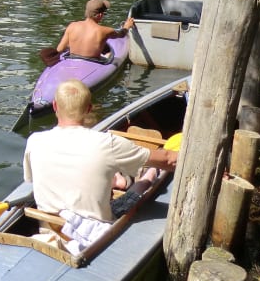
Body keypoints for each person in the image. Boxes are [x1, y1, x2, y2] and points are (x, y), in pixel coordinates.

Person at [22, 79, 177, 248]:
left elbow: (32, 181)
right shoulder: (107, 143)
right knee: (146, 179)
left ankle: (135, 176)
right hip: (94, 232)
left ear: (54, 106)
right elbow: (169, 160)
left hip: (49, 228)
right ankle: (150, 173)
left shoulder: (34, 141)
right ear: (88, 109)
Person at [56, 0, 135, 59]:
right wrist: (126, 26)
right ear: (100, 15)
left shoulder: (72, 26)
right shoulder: (105, 31)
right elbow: (121, 35)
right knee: (109, 54)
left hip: (73, 60)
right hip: (93, 62)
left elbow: (60, 49)